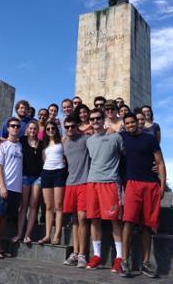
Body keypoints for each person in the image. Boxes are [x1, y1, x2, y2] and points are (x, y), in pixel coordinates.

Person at [120, 113, 166, 278]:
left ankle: (145, 263)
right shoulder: (122, 136)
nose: (131, 125)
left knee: (147, 225)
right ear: (124, 125)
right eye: (128, 123)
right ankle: (124, 261)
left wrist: (162, 185)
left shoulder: (150, 138)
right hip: (132, 183)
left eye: (133, 122)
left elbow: (160, 162)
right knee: (128, 222)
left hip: (151, 184)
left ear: (138, 123)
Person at [85, 108, 124, 272]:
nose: (95, 121)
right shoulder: (89, 140)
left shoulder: (116, 137)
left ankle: (120, 257)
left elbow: (128, 156)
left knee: (114, 220)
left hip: (110, 183)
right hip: (92, 182)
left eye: (97, 118)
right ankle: (97, 255)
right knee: (94, 220)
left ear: (103, 119)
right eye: (92, 119)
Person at [0, 117, 23, 259]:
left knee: (4, 219)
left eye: (18, 126)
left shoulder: (20, 146)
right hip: (3, 187)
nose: (15, 128)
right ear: (7, 128)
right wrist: (2, 186)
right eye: (13, 126)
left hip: (16, 189)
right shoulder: (1, 146)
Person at [62, 116, 90, 268]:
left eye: (72, 126)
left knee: (82, 217)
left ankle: (82, 255)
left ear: (77, 126)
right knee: (74, 220)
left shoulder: (86, 139)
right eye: (67, 127)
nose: (70, 129)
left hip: (84, 183)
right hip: (70, 183)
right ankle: (75, 252)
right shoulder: (64, 143)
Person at [12, 121, 44, 244]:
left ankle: (27, 234)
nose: (32, 131)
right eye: (30, 128)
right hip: (25, 176)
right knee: (23, 205)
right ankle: (19, 233)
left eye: (35, 128)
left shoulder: (41, 143)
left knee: (34, 205)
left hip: (38, 177)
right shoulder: (22, 140)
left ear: (37, 130)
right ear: (27, 129)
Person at [38, 121, 66, 245]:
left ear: (56, 129)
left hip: (59, 172)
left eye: (52, 128)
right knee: (48, 206)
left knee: (59, 205)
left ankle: (57, 235)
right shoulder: (44, 145)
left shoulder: (62, 141)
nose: (50, 130)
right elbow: (44, 160)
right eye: (48, 129)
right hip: (46, 173)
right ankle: (47, 235)